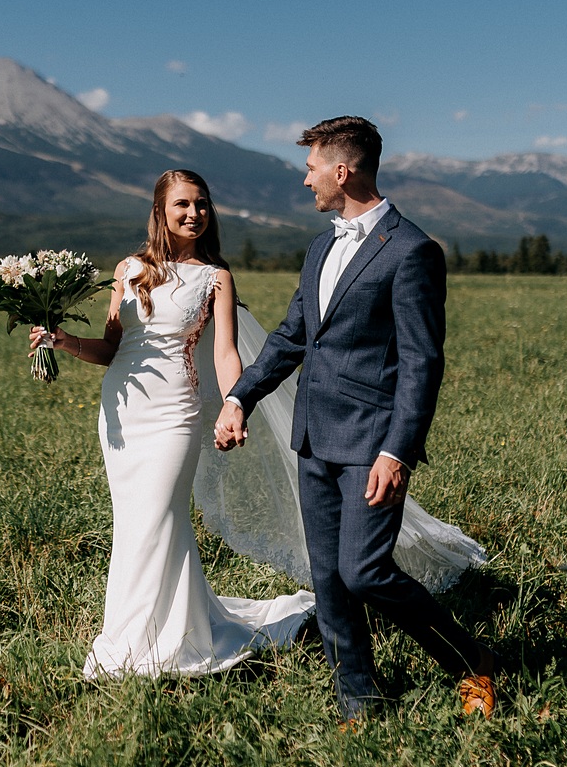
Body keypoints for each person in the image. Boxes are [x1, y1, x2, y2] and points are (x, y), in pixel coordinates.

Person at [214, 116, 500, 723]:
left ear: (343, 171)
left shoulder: (411, 250)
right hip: (314, 439)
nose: (305, 180)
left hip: (372, 446)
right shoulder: (321, 247)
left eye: (312, 167)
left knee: (364, 571)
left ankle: (470, 661)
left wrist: (398, 451)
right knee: (330, 577)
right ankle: (358, 700)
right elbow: (293, 336)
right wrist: (241, 397)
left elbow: (423, 362)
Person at [31, 170, 315, 677]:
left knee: (159, 518)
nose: (193, 213)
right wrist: (62, 342)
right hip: (122, 412)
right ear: (160, 211)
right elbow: (111, 347)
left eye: (202, 204)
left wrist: (235, 405)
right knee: (136, 524)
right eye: (182, 204)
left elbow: (225, 353)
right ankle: (161, 628)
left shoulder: (216, 278)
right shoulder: (129, 269)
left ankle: (144, 643)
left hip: (175, 416)